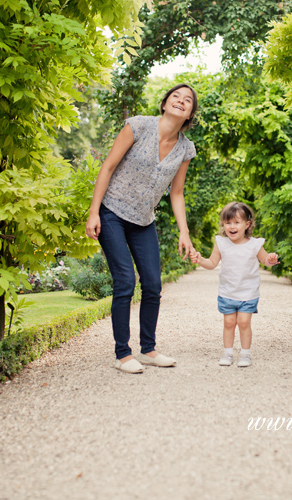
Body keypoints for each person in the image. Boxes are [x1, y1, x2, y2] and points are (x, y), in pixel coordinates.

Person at [85, 84, 198, 374]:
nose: (181, 101)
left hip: (144, 220)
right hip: (111, 213)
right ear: (164, 103)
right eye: (176, 96)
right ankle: (123, 354)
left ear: (190, 114)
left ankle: (148, 349)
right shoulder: (137, 126)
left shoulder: (185, 148)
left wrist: (184, 232)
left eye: (187, 101)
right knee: (125, 280)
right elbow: (107, 167)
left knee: (153, 284)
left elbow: (177, 192)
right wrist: (94, 211)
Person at [190, 202, 279, 367]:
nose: (232, 226)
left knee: (244, 322)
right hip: (227, 293)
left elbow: (265, 260)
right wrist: (200, 260)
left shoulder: (254, 244)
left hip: (248, 293)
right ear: (223, 224)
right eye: (228, 222)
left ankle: (245, 354)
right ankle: (228, 353)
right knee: (229, 323)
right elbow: (212, 263)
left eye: (236, 222)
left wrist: (271, 259)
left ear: (247, 224)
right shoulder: (221, 244)